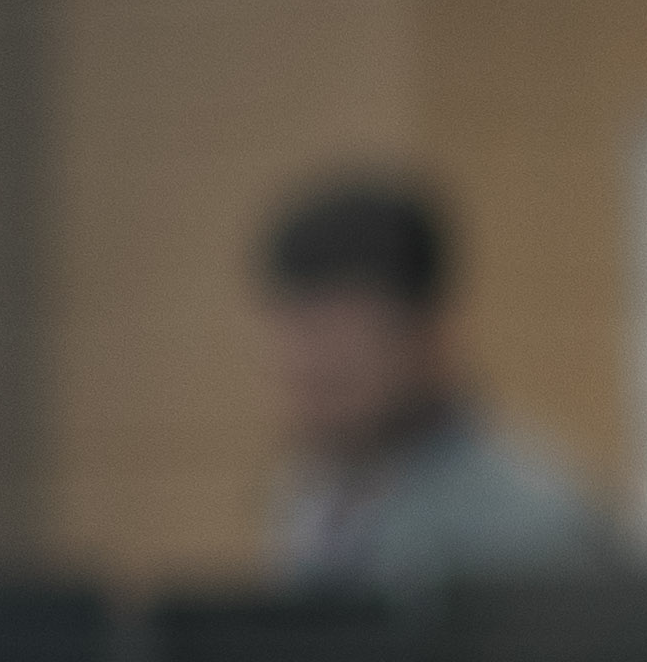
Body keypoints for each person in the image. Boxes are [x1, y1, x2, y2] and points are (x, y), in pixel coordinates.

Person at [258, 173, 603, 590]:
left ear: (429, 336)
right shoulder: (314, 497)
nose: (310, 364)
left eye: (342, 342)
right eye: (299, 333)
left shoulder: (523, 524)